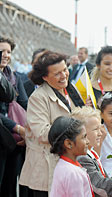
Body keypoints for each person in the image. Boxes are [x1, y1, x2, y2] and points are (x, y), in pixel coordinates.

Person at [19, 51, 85, 196]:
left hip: (71, 164)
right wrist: (74, 133)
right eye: (57, 74)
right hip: (47, 166)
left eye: (65, 70)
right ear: (45, 77)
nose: (63, 76)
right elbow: (42, 133)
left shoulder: (72, 90)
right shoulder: (38, 98)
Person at [72, 106, 112, 197]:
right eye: (96, 129)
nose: (100, 133)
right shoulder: (82, 158)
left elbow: (104, 182)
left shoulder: (91, 153)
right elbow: (102, 187)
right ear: (81, 133)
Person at [0, 36, 28, 197]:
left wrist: (27, 131)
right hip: (5, 135)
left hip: (16, 141)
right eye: (2, 51)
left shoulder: (16, 78)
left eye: (8, 51)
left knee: (11, 185)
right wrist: (17, 127)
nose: (5, 55)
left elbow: (25, 106)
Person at [48, 116, 94, 197]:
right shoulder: (73, 173)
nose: (88, 142)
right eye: (84, 137)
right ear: (69, 144)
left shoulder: (64, 166)